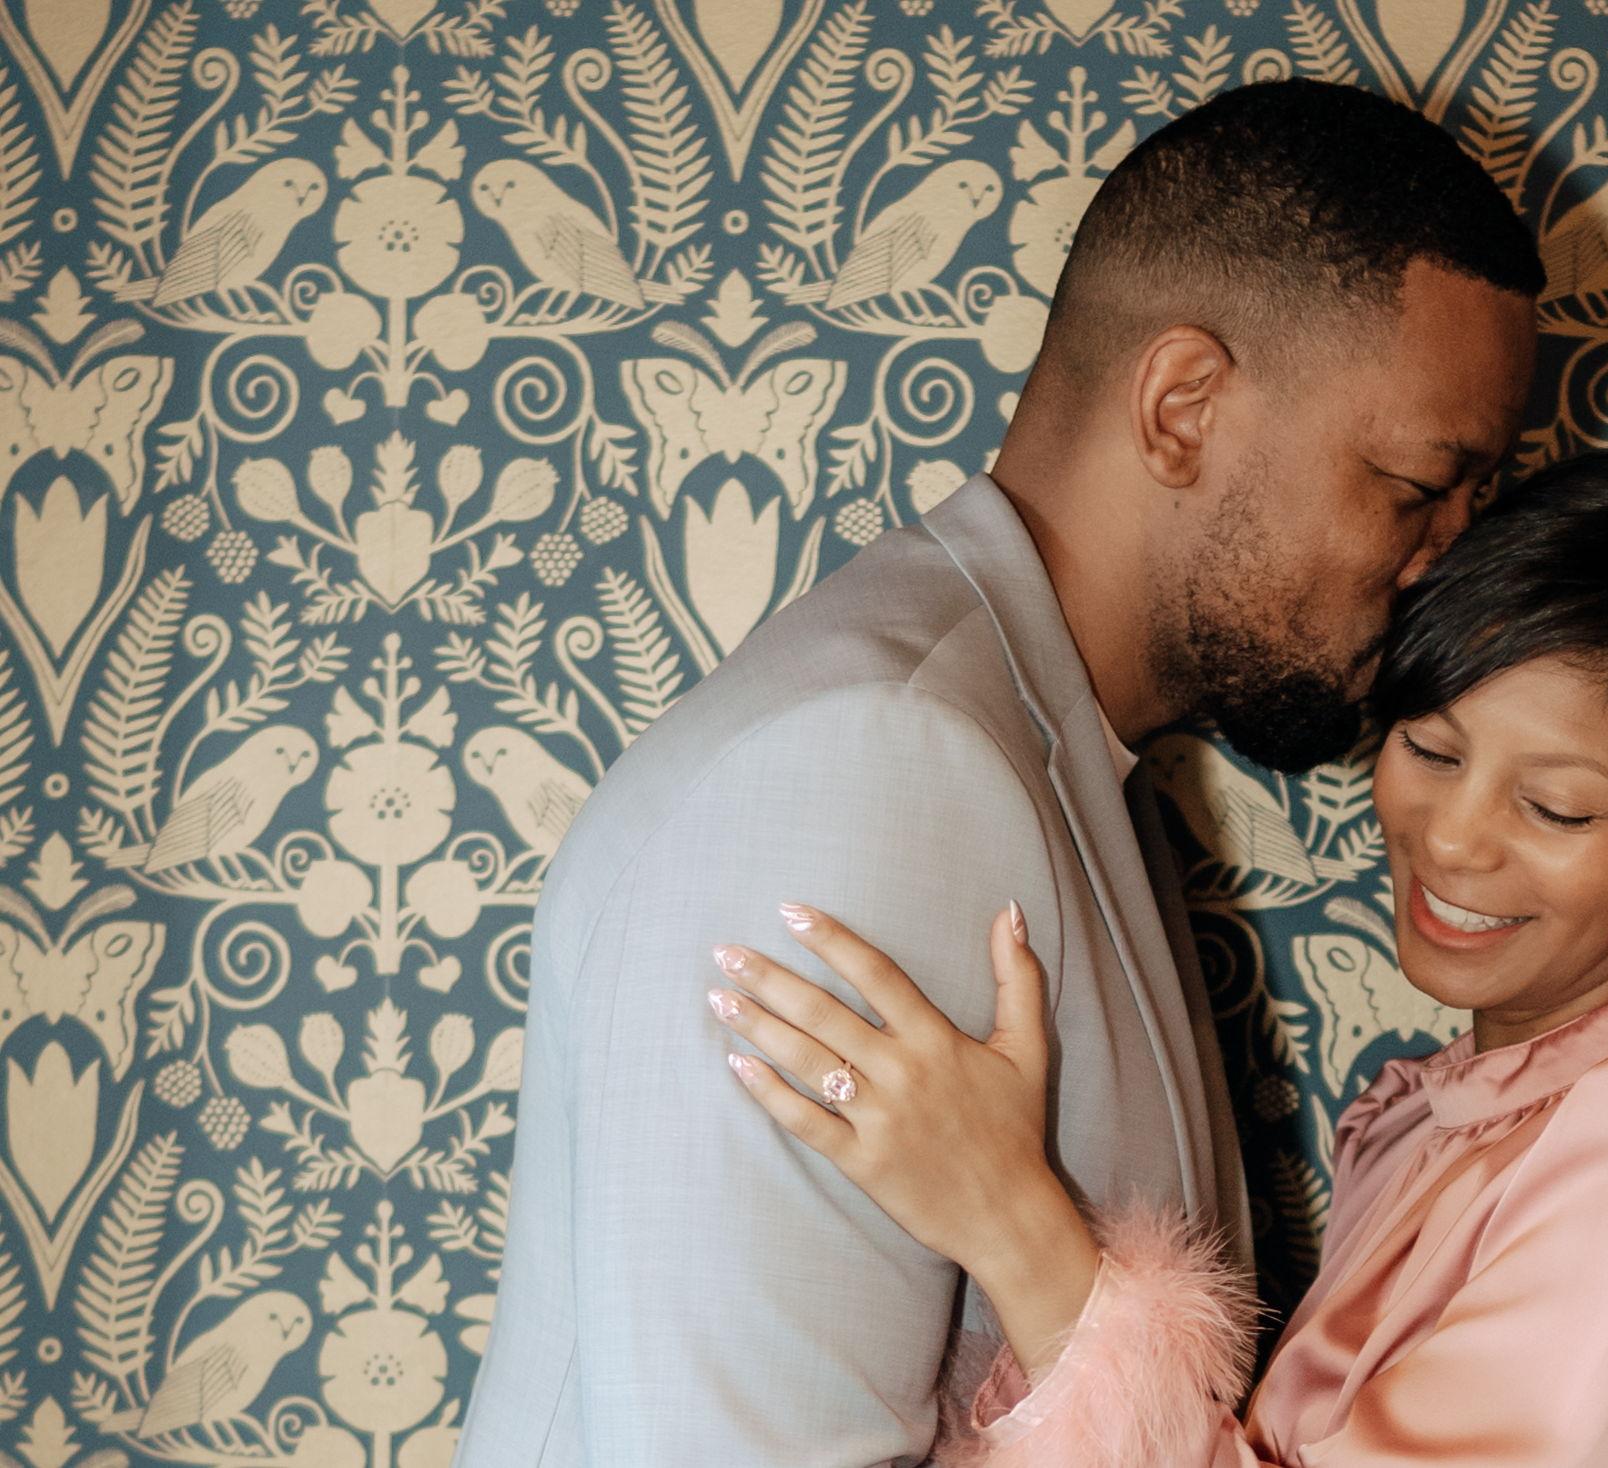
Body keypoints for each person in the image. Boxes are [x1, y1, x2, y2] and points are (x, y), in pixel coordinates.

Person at [453, 79, 1539, 1465]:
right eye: (1417, 485)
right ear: (1184, 406)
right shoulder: (873, 769)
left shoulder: (1047, 746)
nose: (1448, 558)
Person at [714, 446, 1608, 1466]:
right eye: (1431, 749)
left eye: (1555, 807)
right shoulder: (1458, 1107)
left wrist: (1012, 1221)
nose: (1452, 839)